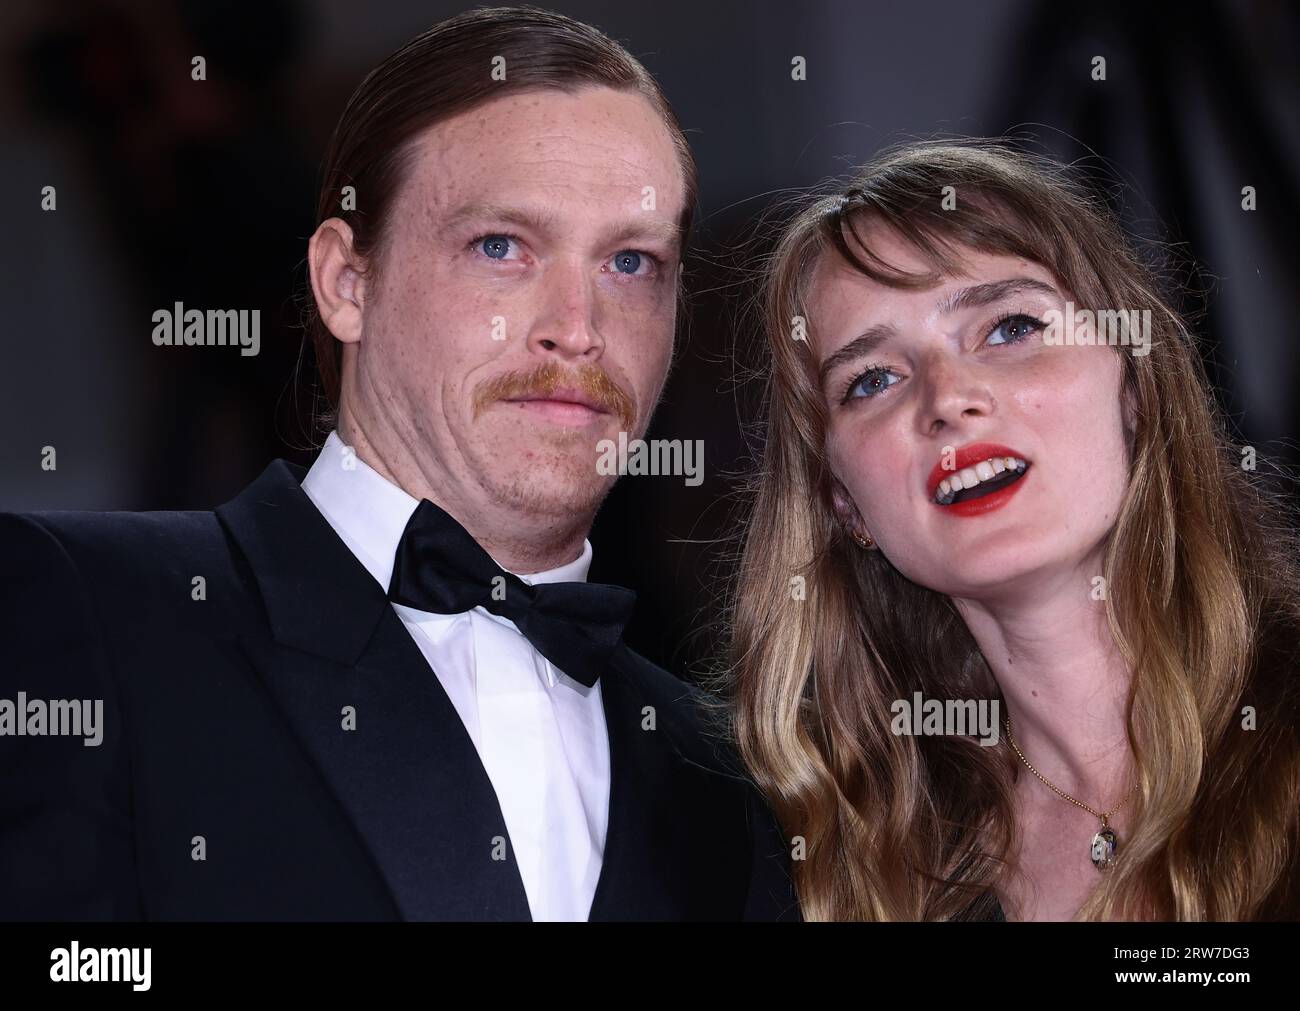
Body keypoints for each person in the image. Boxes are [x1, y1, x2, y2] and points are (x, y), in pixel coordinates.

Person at [0, 7, 797, 922]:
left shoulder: (732, 779)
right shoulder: (86, 611)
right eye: (501, 246)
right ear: (347, 282)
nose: (578, 327)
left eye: (630, 262)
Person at [724, 139, 1300, 920]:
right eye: (873, 379)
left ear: (1133, 388)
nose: (948, 397)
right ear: (846, 505)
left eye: (1009, 328)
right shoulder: (848, 864)